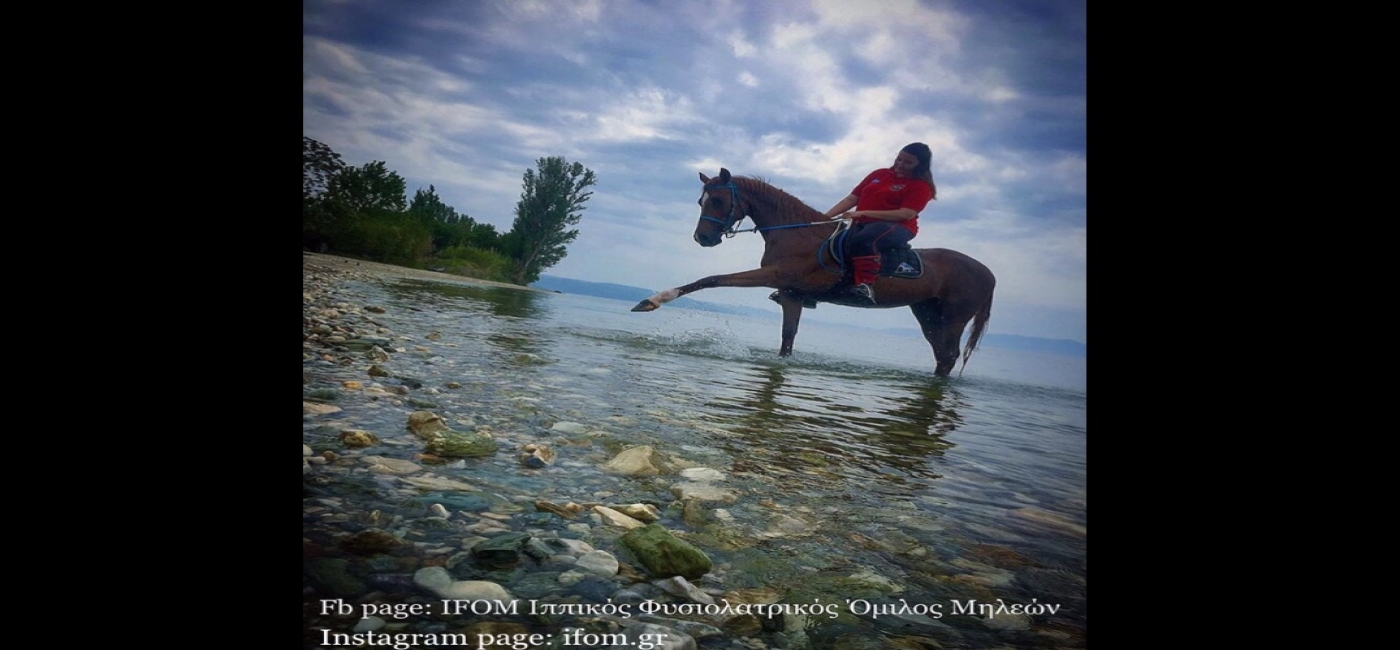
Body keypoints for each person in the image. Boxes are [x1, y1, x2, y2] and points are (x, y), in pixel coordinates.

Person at [818, 142, 936, 303]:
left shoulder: (921, 186)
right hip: (863, 223)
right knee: (832, 242)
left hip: (898, 226)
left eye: (908, 162)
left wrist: (863, 212)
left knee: (864, 239)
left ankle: (865, 286)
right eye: (899, 159)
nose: (901, 164)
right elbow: (852, 198)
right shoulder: (879, 174)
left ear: (920, 165)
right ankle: (815, 287)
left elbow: (906, 214)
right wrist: (824, 218)